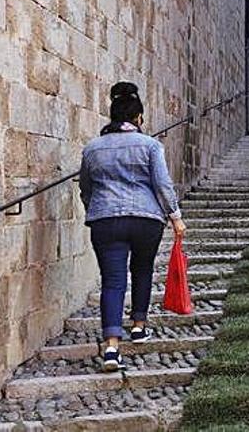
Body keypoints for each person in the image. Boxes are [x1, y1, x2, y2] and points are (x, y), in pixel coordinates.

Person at [79, 81, 188, 372]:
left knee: (112, 281)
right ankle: (139, 325)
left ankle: (112, 348)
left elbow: (86, 189)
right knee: (142, 269)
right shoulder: (151, 145)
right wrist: (175, 216)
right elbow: (162, 184)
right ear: (138, 118)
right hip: (145, 220)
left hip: (106, 221)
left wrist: (96, 209)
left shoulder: (92, 149)